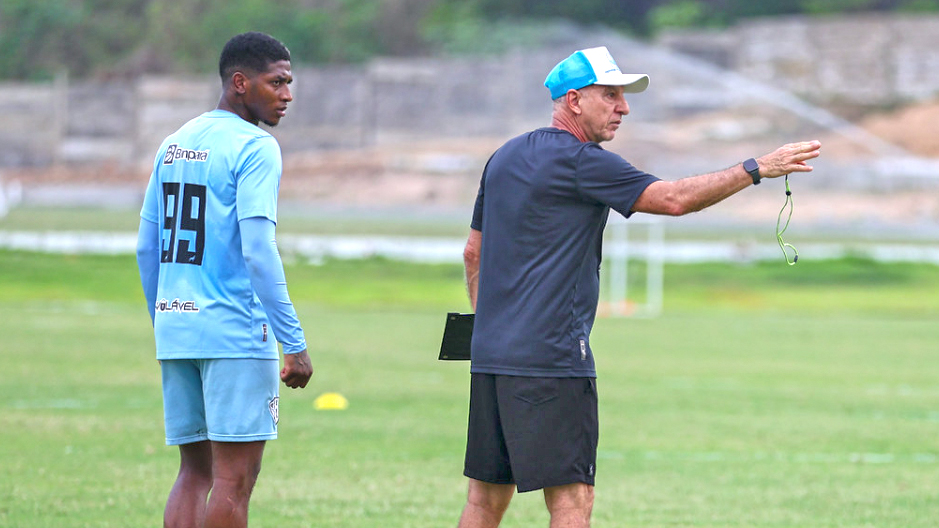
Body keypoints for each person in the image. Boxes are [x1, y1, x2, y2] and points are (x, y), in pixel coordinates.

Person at [457, 46, 821, 528]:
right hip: (551, 359)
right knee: (572, 501)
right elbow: (672, 200)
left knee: (484, 501)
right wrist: (755, 168)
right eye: (610, 95)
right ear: (573, 101)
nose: (623, 108)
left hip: (489, 356)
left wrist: (491, 331)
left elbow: (472, 253)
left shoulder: (503, 157)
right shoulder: (582, 161)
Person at [136, 31, 313, 528]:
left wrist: (165, 320)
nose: (287, 94)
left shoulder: (175, 143)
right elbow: (258, 250)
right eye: (276, 82)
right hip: (234, 331)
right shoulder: (256, 147)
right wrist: (293, 342)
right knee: (234, 481)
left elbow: (146, 248)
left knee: (194, 474)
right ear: (240, 83)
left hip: (177, 329)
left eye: (290, 82)